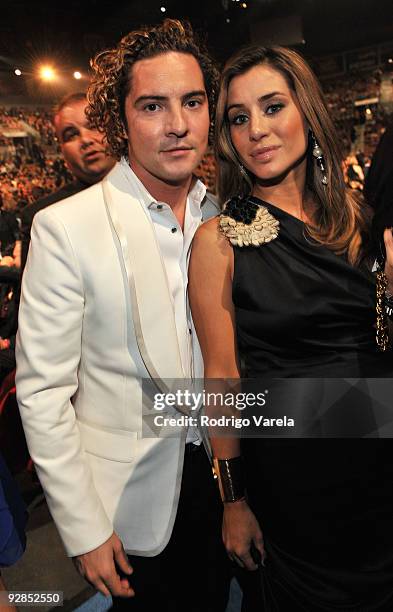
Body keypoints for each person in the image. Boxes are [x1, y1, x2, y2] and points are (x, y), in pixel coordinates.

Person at [16, 19, 230, 612]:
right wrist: (84, 528)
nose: (178, 124)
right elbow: (42, 393)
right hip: (131, 504)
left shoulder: (226, 215)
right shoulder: (66, 227)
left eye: (192, 102)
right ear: (122, 118)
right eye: (153, 106)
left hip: (229, 477)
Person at [189, 45, 393, 611]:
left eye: (273, 106)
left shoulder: (363, 221)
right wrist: (233, 500)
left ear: (307, 110)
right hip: (298, 484)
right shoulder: (218, 242)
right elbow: (222, 378)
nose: (257, 129)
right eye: (238, 117)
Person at [19, 92, 116, 269]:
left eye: (94, 125)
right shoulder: (41, 217)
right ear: (62, 150)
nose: (85, 140)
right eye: (71, 135)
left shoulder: (160, 193)